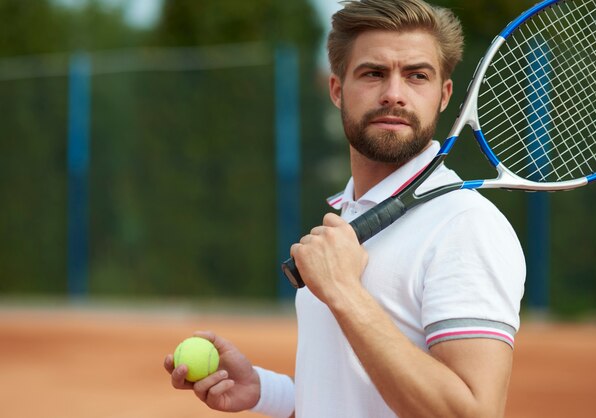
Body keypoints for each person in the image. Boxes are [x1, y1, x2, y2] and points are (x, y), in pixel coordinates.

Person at [164, 0, 526, 417]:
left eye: (417, 76)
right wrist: (265, 392)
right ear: (337, 89)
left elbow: (472, 414)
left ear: (444, 95)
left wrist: (344, 292)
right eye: (373, 73)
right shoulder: (350, 215)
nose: (394, 94)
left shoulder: (466, 226)